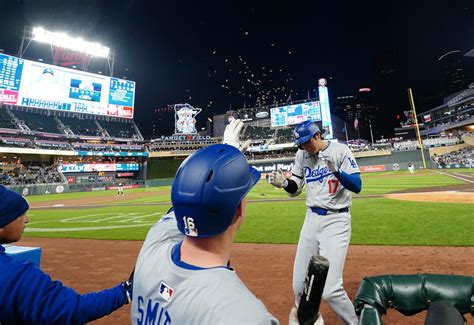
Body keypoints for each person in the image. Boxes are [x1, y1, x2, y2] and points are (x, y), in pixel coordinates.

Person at [131, 125, 278, 324]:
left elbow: (184, 206)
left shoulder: (153, 245)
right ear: (239, 210)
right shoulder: (245, 315)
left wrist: (228, 156)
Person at [268, 121, 362, 325]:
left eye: (307, 141)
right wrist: (284, 183)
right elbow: (295, 189)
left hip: (336, 220)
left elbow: (357, 186)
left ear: (318, 135)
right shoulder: (302, 155)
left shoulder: (340, 150)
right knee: (298, 285)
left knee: (330, 289)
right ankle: (309, 321)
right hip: (311, 219)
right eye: (301, 143)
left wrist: (336, 170)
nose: (305, 147)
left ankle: (355, 323)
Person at [0, 185, 133, 324]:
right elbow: (73, 310)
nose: (26, 220)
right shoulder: (17, 276)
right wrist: (124, 291)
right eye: (21, 214)